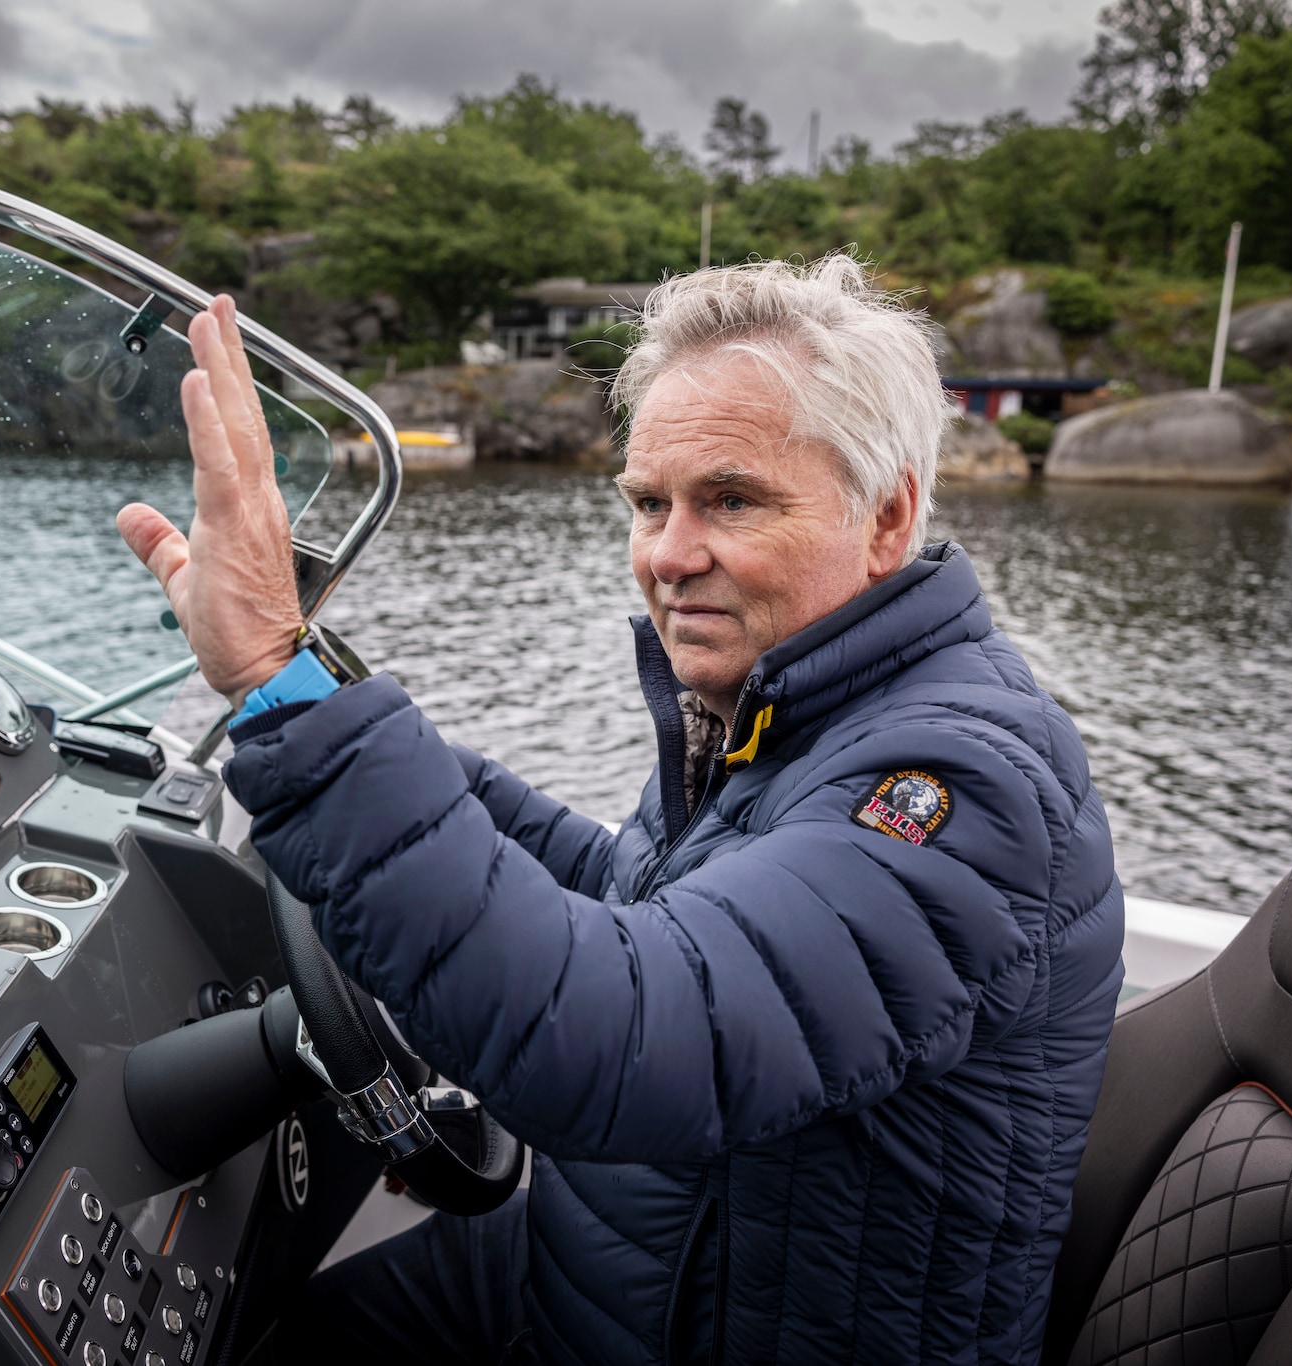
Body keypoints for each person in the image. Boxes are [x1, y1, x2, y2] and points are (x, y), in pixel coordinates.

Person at [116, 255, 1125, 1365]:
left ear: (884, 517)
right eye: (648, 502)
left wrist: (273, 677)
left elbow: (617, 1030)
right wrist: (319, 697)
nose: (666, 555)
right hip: (619, 1271)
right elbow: (634, 898)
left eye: (730, 499)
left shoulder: (954, 786)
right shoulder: (775, 702)